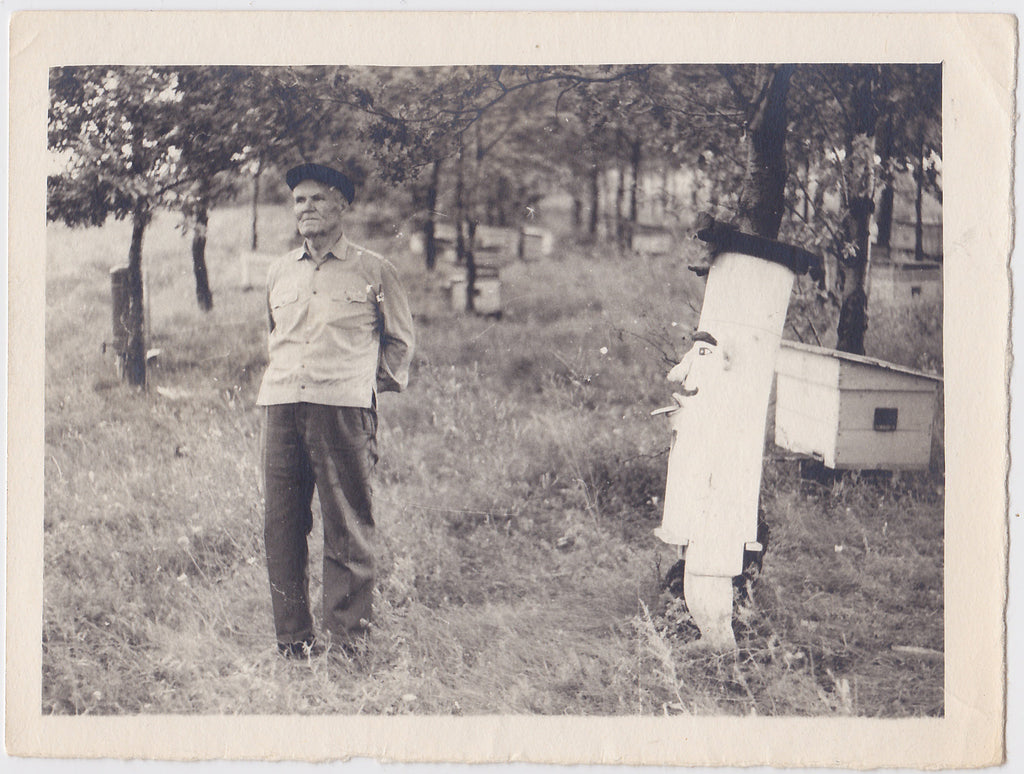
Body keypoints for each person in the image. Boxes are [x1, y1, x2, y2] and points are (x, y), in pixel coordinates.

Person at [255, 162, 415, 659]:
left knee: (346, 525)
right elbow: (273, 334)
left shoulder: (374, 269)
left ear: (342, 205)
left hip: (341, 412)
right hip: (281, 406)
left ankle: (348, 646)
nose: (306, 209)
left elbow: (400, 341)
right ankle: (293, 641)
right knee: (281, 526)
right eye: (299, 201)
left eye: (318, 199)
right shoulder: (280, 271)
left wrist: (361, 391)